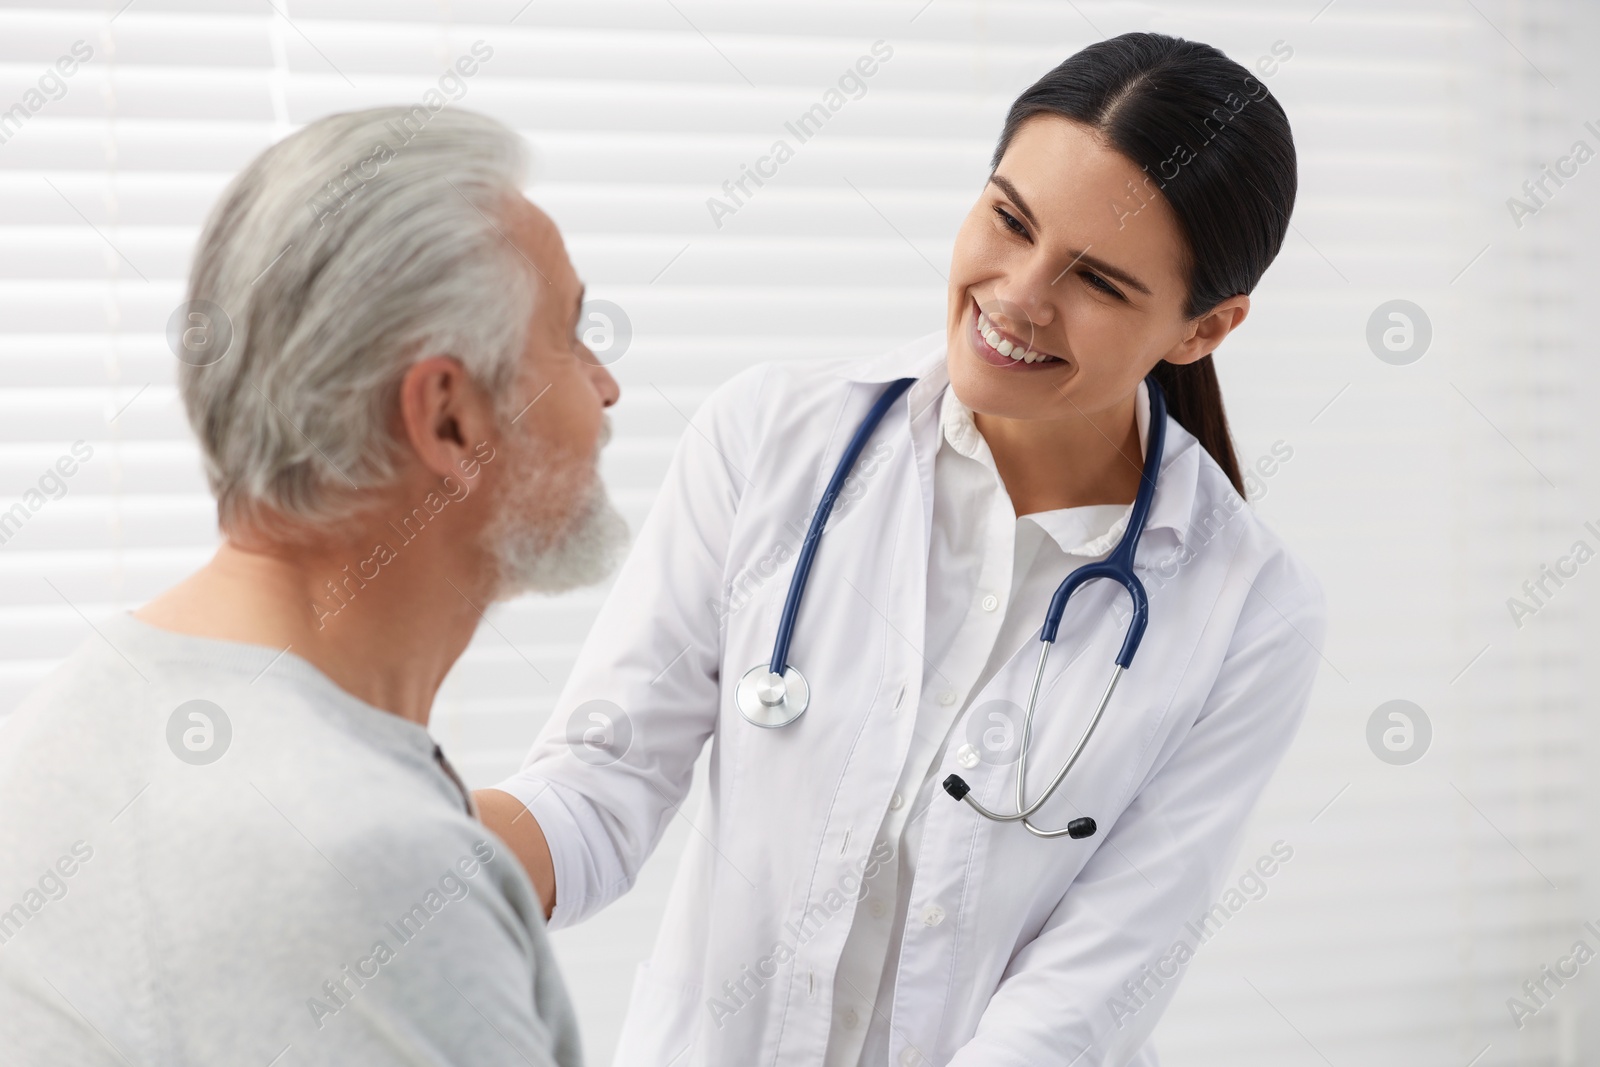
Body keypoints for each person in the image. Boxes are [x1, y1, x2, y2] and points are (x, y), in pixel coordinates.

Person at [479, 31, 1327, 1067]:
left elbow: (1093, 985)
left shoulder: (1247, 607)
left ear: (1202, 329)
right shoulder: (771, 437)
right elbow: (600, 784)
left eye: (1096, 281)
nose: (1017, 293)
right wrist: (431, 852)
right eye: (1007, 219)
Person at [0, 106, 627, 1066]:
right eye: (572, 336)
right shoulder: (372, 868)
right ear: (449, 418)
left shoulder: (69, 719)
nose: (606, 388)